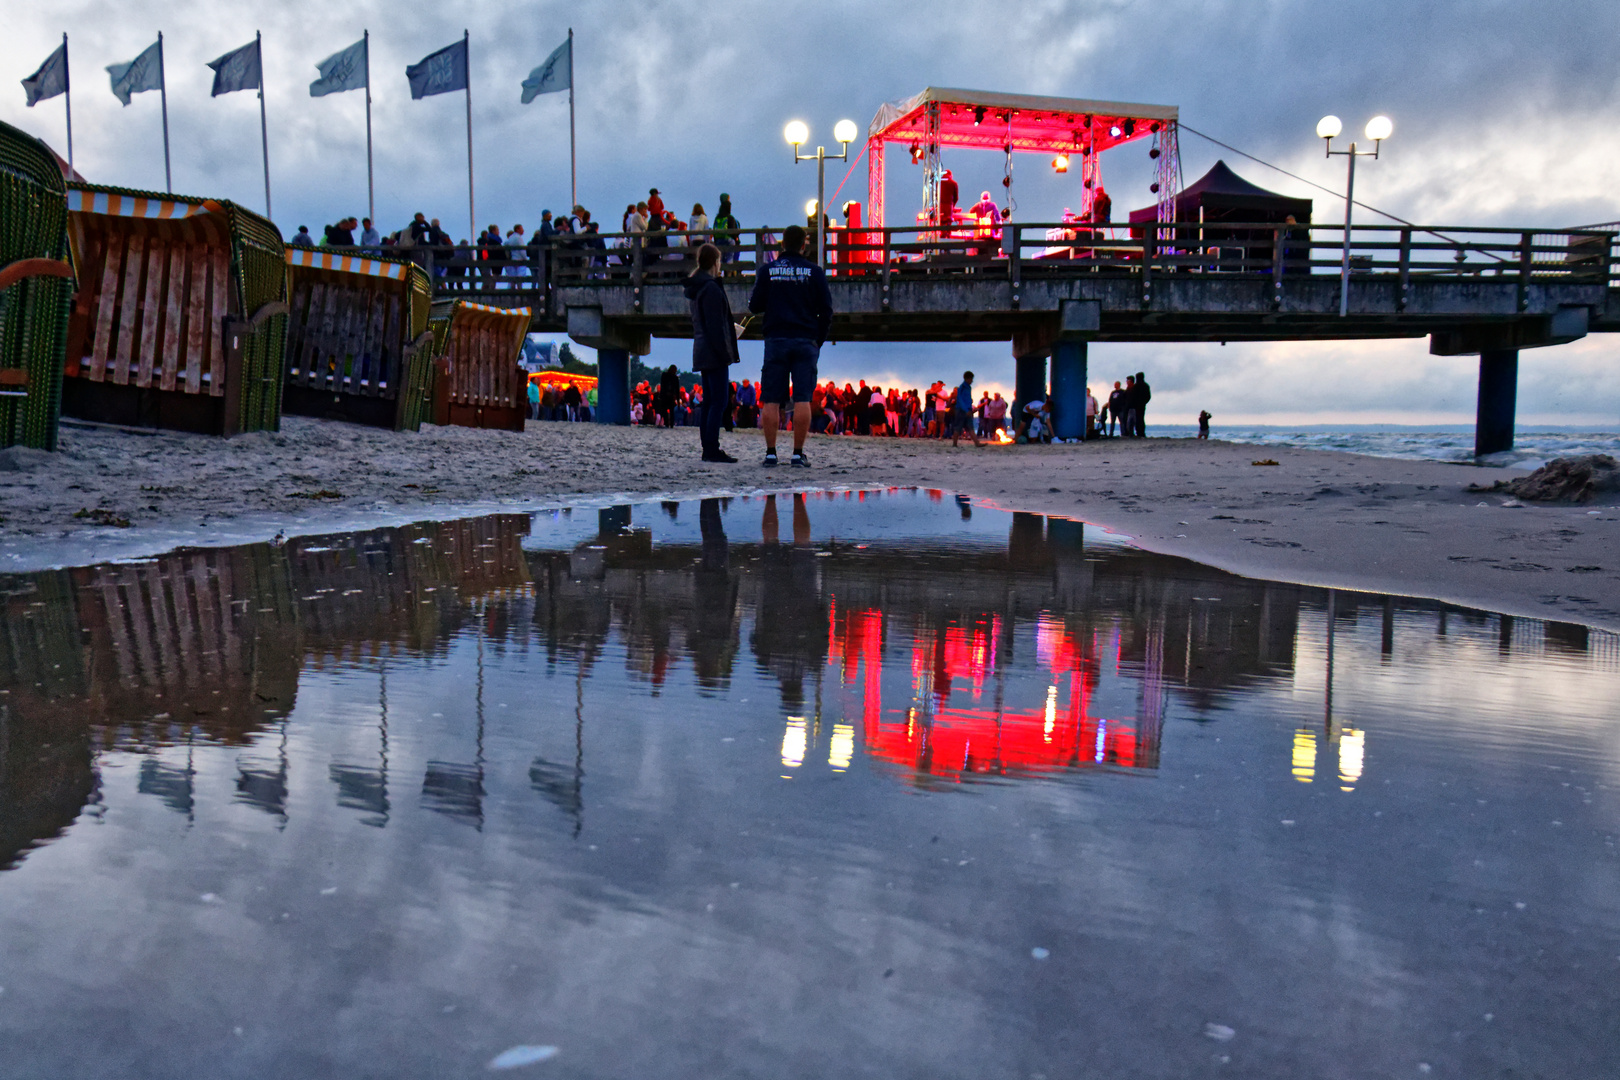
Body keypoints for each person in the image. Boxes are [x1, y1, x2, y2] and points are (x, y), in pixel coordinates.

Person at [748, 225, 832, 467]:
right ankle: (797, 453)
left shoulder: (768, 271)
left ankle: (771, 453)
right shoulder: (814, 272)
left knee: (771, 398)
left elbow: (754, 306)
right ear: (804, 245)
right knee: (803, 397)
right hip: (805, 340)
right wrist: (818, 340)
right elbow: (826, 310)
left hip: (776, 339)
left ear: (782, 244)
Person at [683, 242, 739, 461]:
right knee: (719, 401)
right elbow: (715, 325)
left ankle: (708, 447)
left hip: (702, 348)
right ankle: (711, 449)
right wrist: (726, 353)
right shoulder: (711, 288)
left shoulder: (698, 288)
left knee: (709, 401)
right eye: (719, 261)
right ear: (715, 262)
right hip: (713, 351)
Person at [950, 371, 983, 448]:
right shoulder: (962, 387)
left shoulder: (968, 387)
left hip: (967, 409)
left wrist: (971, 407)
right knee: (958, 427)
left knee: (970, 427)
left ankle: (977, 443)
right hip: (961, 410)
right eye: (971, 379)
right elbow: (960, 400)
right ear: (967, 379)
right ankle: (954, 444)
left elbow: (967, 399)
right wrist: (966, 410)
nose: (972, 381)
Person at [1132, 370, 1151, 436]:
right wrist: (1144, 402)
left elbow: (1133, 396)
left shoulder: (1135, 386)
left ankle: (1138, 432)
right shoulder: (1146, 386)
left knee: (1137, 419)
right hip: (1142, 405)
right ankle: (1142, 432)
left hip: (1136, 405)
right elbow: (1148, 396)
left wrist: (1134, 403)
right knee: (1141, 419)